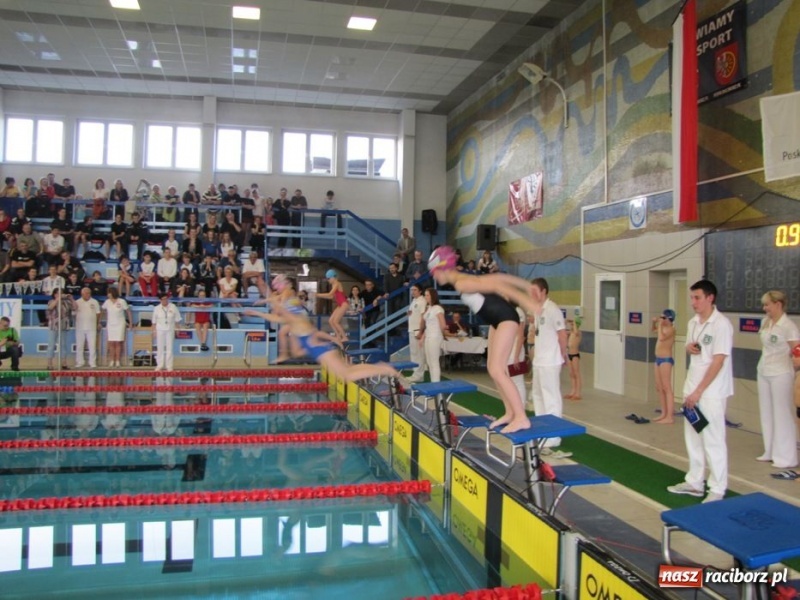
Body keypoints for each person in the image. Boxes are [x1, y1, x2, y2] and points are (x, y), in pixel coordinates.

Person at [428, 248, 541, 433]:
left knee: (497, 370)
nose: (435, 277)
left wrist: (527, 301)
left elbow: (497, 285)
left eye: (435, 273)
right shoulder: (462, 279)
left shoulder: (463, 283)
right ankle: (510, 412)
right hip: (496, 321)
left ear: (443, 269)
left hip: (505, 319)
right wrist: (526, 285)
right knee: (493, 368)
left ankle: (521, 417)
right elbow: (497, 278)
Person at [667, 279, 734, 503]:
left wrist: (700, 391)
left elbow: (718, 361)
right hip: (692, 389)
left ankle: (717, 488)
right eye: (692, 298)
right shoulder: (693, 322)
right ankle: (695, 481)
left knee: (713, 439)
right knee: (693, 437)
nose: (693, 302)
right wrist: (688, 347)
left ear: (710, 298)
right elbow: (692, 348)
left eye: (697, 298)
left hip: (711, 392)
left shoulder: (721, 324)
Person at [243, 302, 403, 383]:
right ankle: (382, 367)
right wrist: (257, 312)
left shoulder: (297, 322)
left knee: (347, 375)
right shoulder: (296, 325)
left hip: (323, 352)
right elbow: (276, 318)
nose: (278, 314)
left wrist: (271, 301)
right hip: (324, 350)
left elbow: (280, 312)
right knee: (349, 369)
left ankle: (384, 370)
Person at [756, 290, 799, 469]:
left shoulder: (788, 326)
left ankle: (786, 457)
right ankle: (770, 450)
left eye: (767, 304)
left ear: (778, 304)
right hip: (764, 370)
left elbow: (797, 351)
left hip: (781, 373)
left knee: (782, 413)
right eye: (764, 304)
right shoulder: (766, 323)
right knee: (766, 412)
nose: (765, 308)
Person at [528, 277, 570, 453]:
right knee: (537, 395)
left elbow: (562, 334)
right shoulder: (538, 310)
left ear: (544, 291)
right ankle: (542, 429)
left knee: (551, 397)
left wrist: (564, 353)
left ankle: (554, 436)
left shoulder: (553, 310)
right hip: (539, 360)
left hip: (551, 361)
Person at [652, 309, 676, 423]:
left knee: (667, 387)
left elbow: (661, 338)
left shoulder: (671, 329)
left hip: (666, 360)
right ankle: (663, 413)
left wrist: (660, 324)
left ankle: (669, 417)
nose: (661, 320)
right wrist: (654, 323)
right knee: (659, 387)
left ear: (668, 319)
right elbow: (653, 330)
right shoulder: (663, 328)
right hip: (658, 359)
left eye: (663, 318)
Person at [419, 287, 447, 383]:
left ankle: (436, 384)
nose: (425, 297)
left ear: (432, 296)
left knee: (434, 361)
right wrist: (422, 338)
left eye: (427, 295)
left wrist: (444, 334)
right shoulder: (429, 308)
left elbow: (443, 324)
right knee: (429, 362)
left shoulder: (438, 308)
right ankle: (433, 383)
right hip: (428, 337)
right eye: (425, 295)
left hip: (435, 337)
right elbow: (427, 326)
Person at [151, 292, 182, 371]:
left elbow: (177, 319)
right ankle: (160, 365)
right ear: (160, 300)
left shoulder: (173, 307)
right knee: (160, 348)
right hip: (160, 330)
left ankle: (169, 366)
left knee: (170, 348)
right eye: (163, 299)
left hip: (170, 329)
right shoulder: (157, 308)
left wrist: (178, 329)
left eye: (166, 299)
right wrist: (154, 331)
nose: (165, 301)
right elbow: (154, 322)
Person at [47, 288, 75, 370]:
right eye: (58, 293)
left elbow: (75, 308)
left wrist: (72, 299)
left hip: (63, 325)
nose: (61, 295)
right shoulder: (51, 301)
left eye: (62, 293)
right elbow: (50, 307)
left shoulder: (66, 303)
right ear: (55, 294)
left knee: (63, 345)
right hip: (53, 325)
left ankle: (64, 363)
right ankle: (49, 364)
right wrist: (57, 299)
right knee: (51, 345)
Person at [103, 287, 132, 367]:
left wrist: (130, 323)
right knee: (111, 342)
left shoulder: (122, 301)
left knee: (118, 342)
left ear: (113, 293)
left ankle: (118, 361)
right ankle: (112, 360)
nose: (108, 294)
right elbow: (104, 311)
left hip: (120, 324)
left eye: (109, 293)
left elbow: (128, 312)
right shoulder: (107, 302)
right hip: (110, 324)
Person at [316, 269, 349, 342]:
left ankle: (344, 337)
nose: (328, 280)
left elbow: (330, 294)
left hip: (344, 304)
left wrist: (317, 294)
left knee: (336, 321)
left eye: (329, 278)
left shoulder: (337, 283)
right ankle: (338, 336)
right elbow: (330, 297)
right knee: (331, 321)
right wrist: (318, 296)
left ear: (333, 277)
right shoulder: (334, 285)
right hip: (340, 305)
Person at [74, 287, 101, 369]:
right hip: (80, 327)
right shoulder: (77, 302)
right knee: (79, 345)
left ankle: (92, 362)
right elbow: (73, 314)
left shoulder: (94, 302)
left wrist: (98, 323)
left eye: (89, 293)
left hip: (91, 327)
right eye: (86, 293)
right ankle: (80, 362)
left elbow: (98, 313)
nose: (88, 294)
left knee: (92, 345)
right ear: (82, 294)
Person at [406, 283, 428, 382]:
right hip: (411, 329)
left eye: (415, 290)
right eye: (411, 290)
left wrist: (421, 331)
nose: (412, 292)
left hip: (417, 330)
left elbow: (423, 317)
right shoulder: (414, 301)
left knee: (419, 354)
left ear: (420, 291)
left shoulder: (422, 301)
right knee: (414, 353)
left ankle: (419, 375)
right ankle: (415, 374)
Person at [565, 317, 583, 400]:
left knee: (576, 373)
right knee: (571, 374)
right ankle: (572, 391)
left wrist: (574, 322)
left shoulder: (578, 333)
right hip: (569, 355)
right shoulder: (570, 332)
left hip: (575, 355)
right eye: (572, 325)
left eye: (573, 324)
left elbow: (576, 331)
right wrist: (566, 322)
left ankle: (578, 393)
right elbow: (562, 331)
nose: (572, 326)